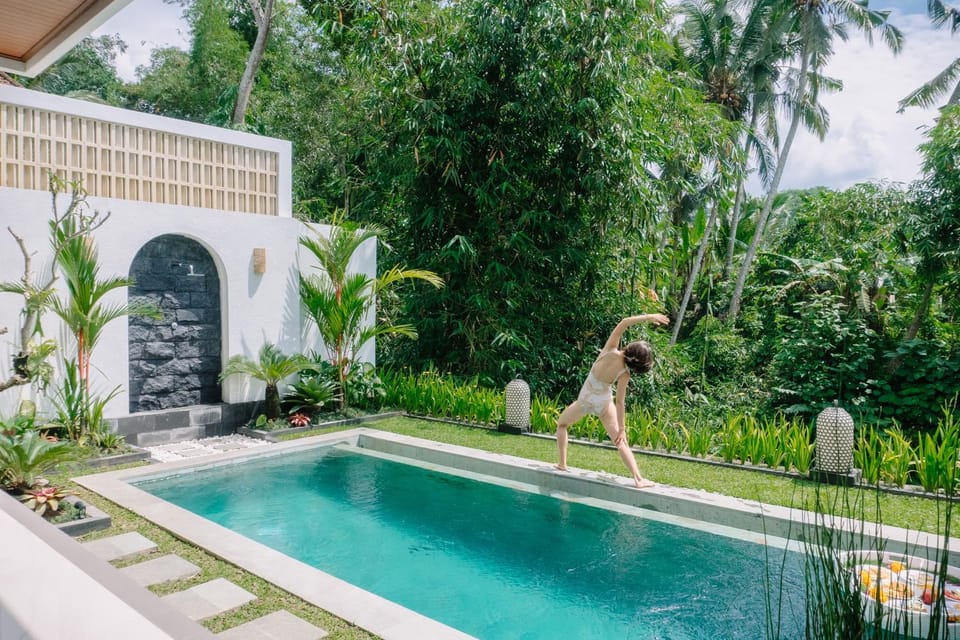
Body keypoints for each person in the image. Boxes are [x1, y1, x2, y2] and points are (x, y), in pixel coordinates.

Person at [555, 313, 670, 489]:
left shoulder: (609, 349)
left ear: (630, 347)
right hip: (603, 402)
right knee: (619, 441)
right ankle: (638, 479)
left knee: (562, 424)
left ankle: (563, 464)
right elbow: (620, 402)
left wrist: (649, 317)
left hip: (585, 399)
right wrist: (622, 429)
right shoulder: (624, 373)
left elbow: (624, 322)